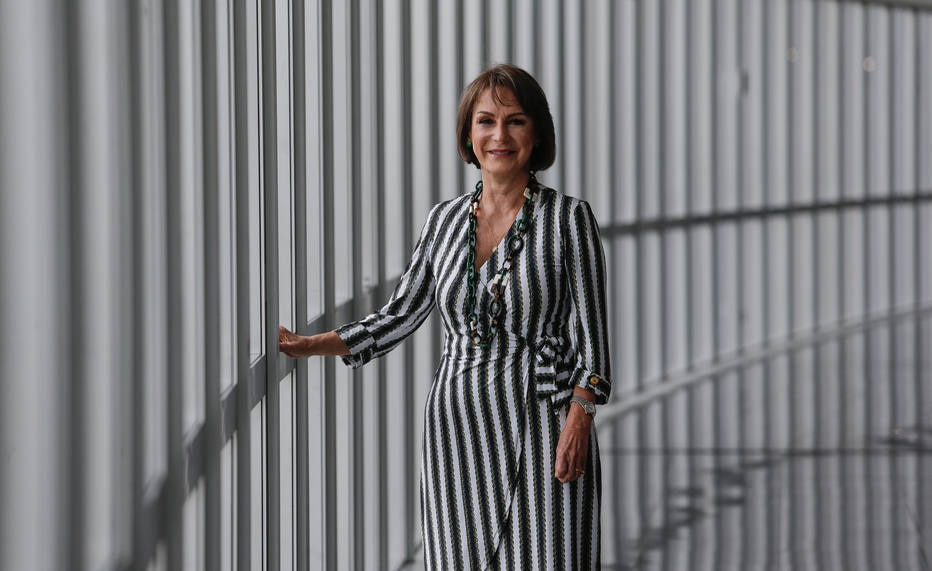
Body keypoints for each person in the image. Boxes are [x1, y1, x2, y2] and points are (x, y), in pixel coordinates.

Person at [279, 64, 611, 570]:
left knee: (550, 555)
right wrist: (310, 345)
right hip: (457, 428)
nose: (499, 136)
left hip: (543, 419)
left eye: (515, 121)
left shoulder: (569, 219)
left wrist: (579, 419)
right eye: (486, 121)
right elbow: (399, 315)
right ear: (468, 134)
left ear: (537, 133)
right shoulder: (444, 220)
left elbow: (594, 344)